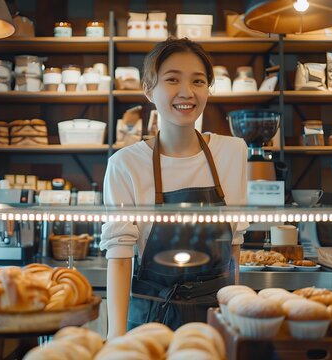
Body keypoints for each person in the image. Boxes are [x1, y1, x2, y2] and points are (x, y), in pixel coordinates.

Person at [100, 37, 249, 338]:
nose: (187, 92)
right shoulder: (124, 164)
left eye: (198, 81)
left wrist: (235, 321)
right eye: (172, 79)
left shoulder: (233, 152)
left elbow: (233, 247)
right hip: (151, 318)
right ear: (148, 90)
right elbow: (119, 257)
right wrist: (115, 342)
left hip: (215, 318)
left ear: (208, 88)